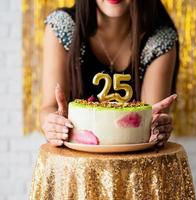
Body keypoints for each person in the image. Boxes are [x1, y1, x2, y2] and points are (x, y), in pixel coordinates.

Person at [40, 0, 179, 147]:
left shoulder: (159, 39)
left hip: (134, 163)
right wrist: (53, 124)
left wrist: (156, 127)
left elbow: (150, 121)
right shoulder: (63, 25)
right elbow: (50, 106)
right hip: (76, 163)